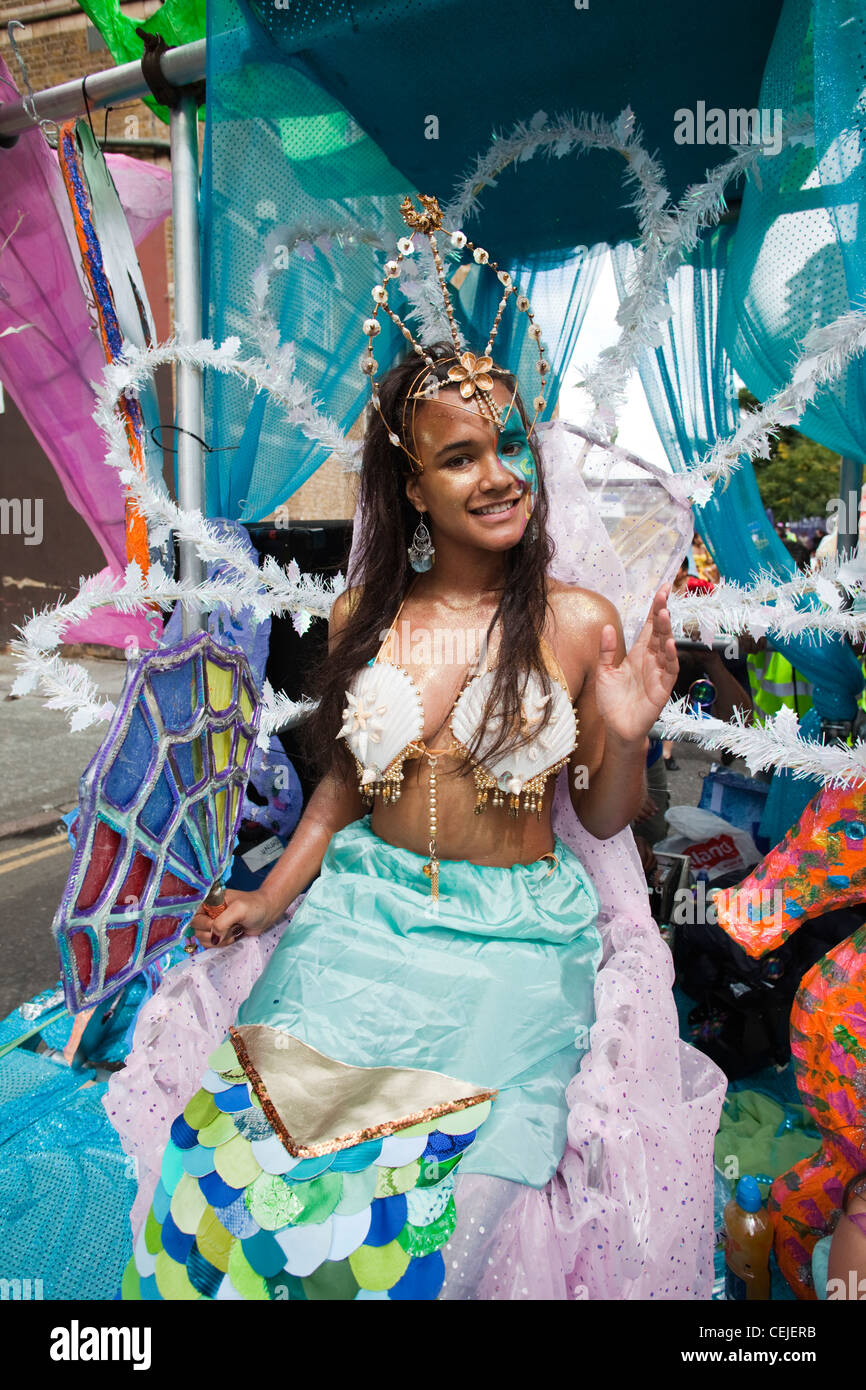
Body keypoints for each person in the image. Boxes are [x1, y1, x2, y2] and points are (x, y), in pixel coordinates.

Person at [113, 198, 723, 1301]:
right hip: (356, 919)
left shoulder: (581, 620)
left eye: (508, 448)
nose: (497, 476)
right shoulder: (359, 618)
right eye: (460, 458)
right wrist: (269, 899)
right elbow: (341, 794)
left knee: (433, 1234)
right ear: (410, 488)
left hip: (509, 948)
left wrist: (625, 735)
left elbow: (597, 816)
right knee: (247, 1189)